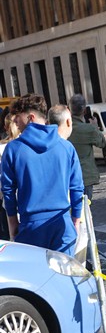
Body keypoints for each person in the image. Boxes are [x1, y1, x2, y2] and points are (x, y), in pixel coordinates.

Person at [1, 93, 84, 254]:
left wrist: (12, 225)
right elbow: (77, 188)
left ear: (30, 117)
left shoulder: (13, 149)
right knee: (63, 276)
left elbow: (8, 191)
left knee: (33, 277)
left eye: (17, 116)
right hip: (62, 223)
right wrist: (75, 221)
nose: (15, 121)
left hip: (31, 226)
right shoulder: (66, 147)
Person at [68, 94, 106, 200]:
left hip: (68, 176)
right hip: (85, 175)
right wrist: (95, 127)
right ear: (84, 111)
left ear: (69, 109)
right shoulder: (88, 129)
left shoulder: (64, 128)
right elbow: (101, 143)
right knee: (85, 209)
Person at [0, 113, 20, 240]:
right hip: (27, 201)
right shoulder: (25, 146)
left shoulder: (2, 147)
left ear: (6, 127)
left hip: (5, 200)